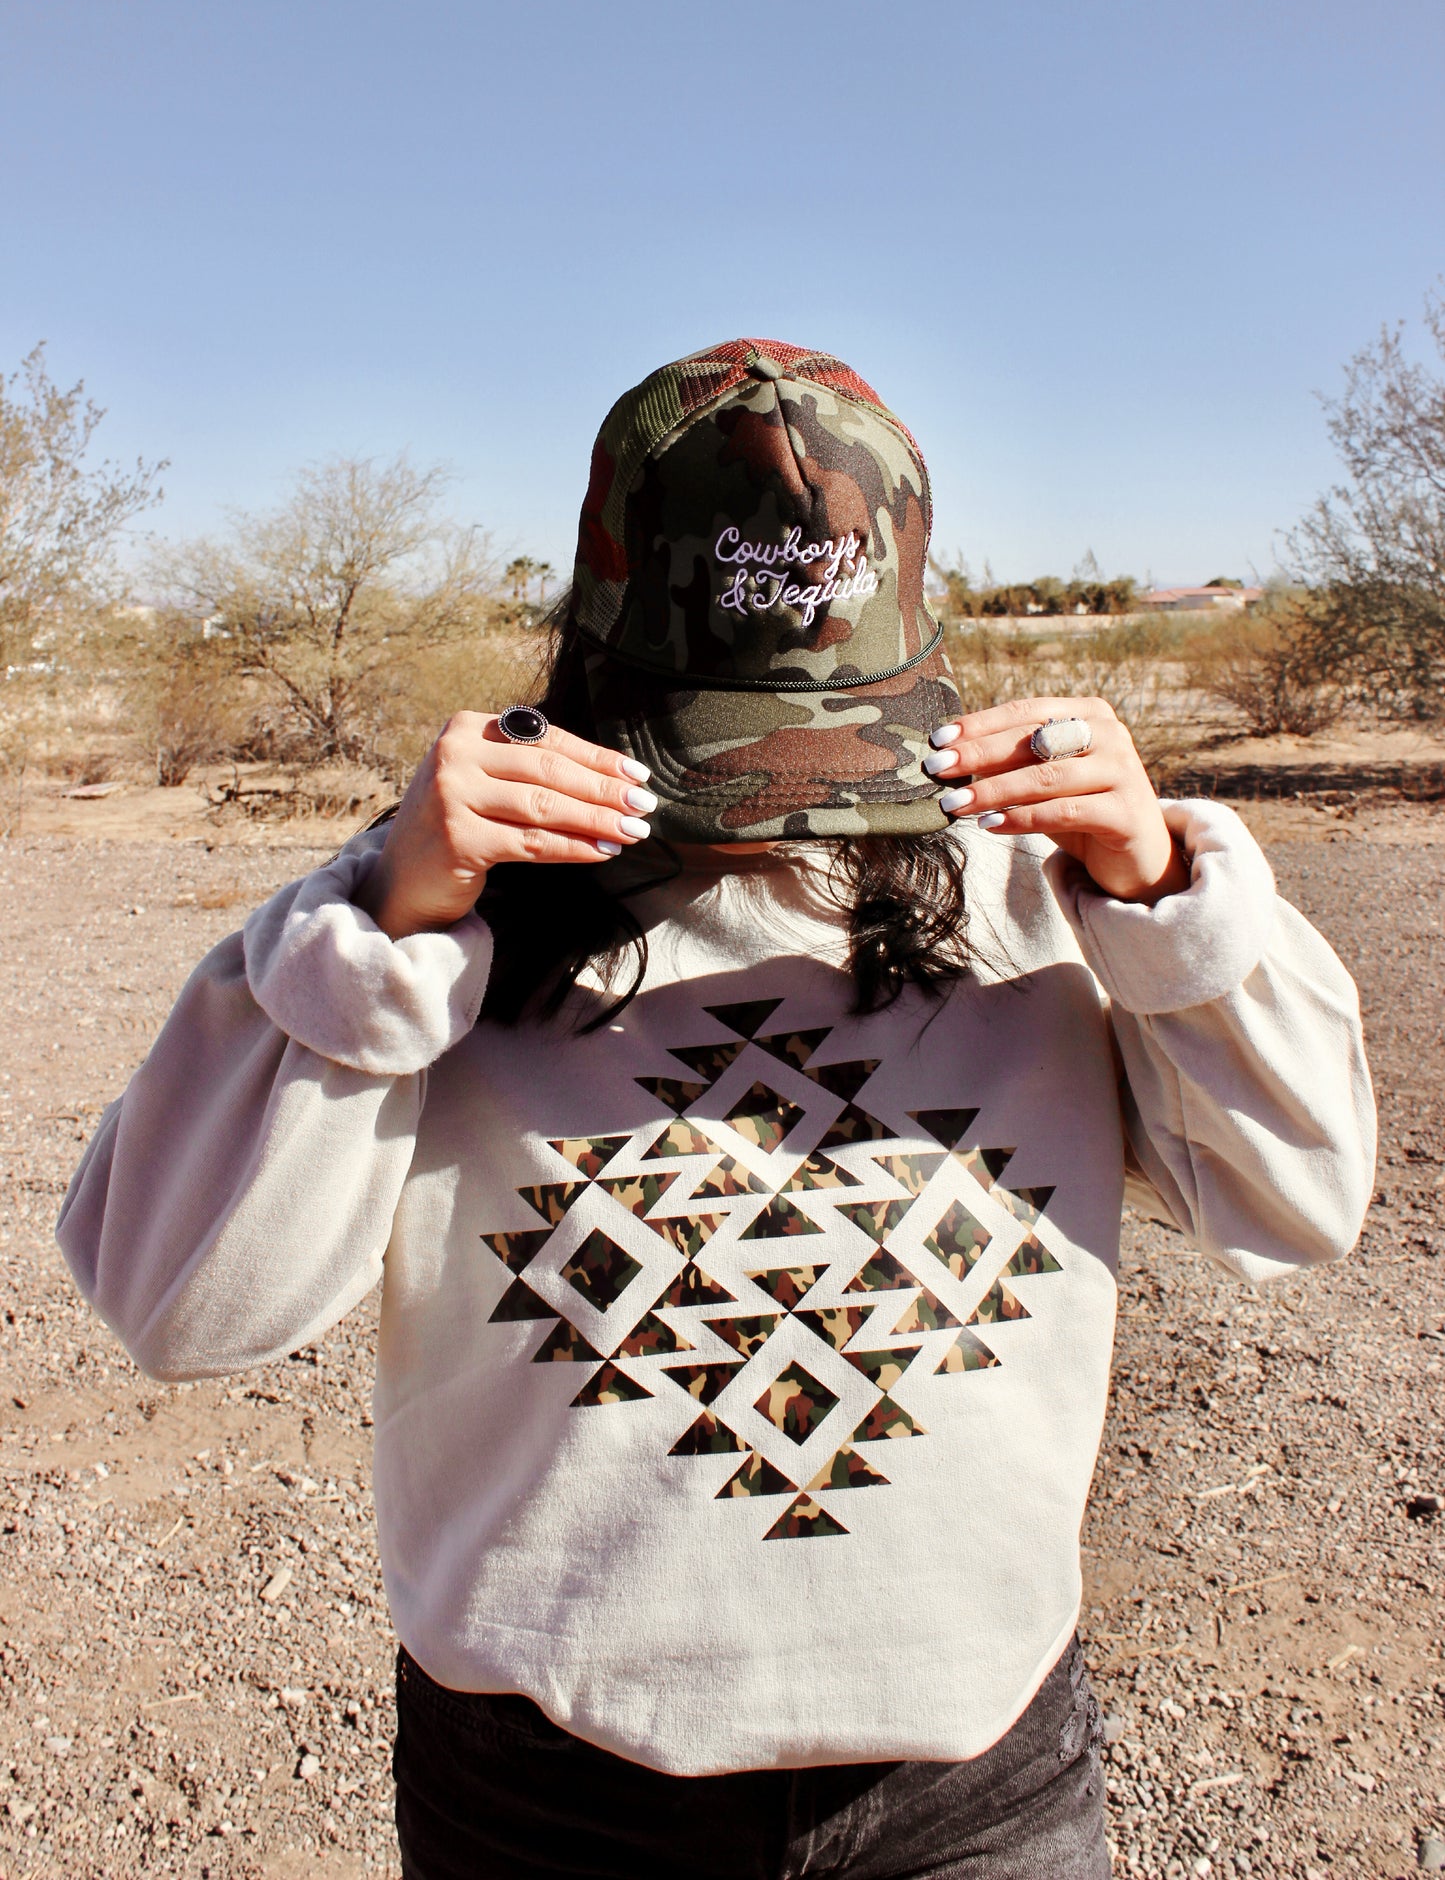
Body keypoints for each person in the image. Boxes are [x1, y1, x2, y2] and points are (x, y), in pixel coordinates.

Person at [57, 338, 1374, 1880]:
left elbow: (1302, 1203)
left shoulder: (1044, 889)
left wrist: (1163, 900)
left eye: (833, 754)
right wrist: (384, 933)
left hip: (977, 1793)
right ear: (601, 658)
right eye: (723, 756)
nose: (778, 814)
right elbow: (181, 1306)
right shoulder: (450, 903)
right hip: (549, 1795)